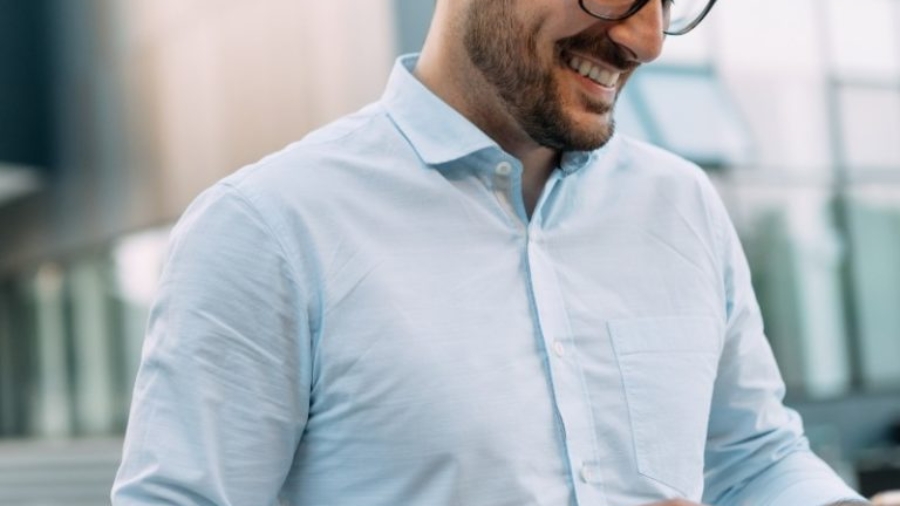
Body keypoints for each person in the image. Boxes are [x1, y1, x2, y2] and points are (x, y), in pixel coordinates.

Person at [112, 0, 872, 505]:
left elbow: (751, 460)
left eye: (669, 1)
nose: (645, 38)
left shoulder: (683, 206)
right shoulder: (266, 230)